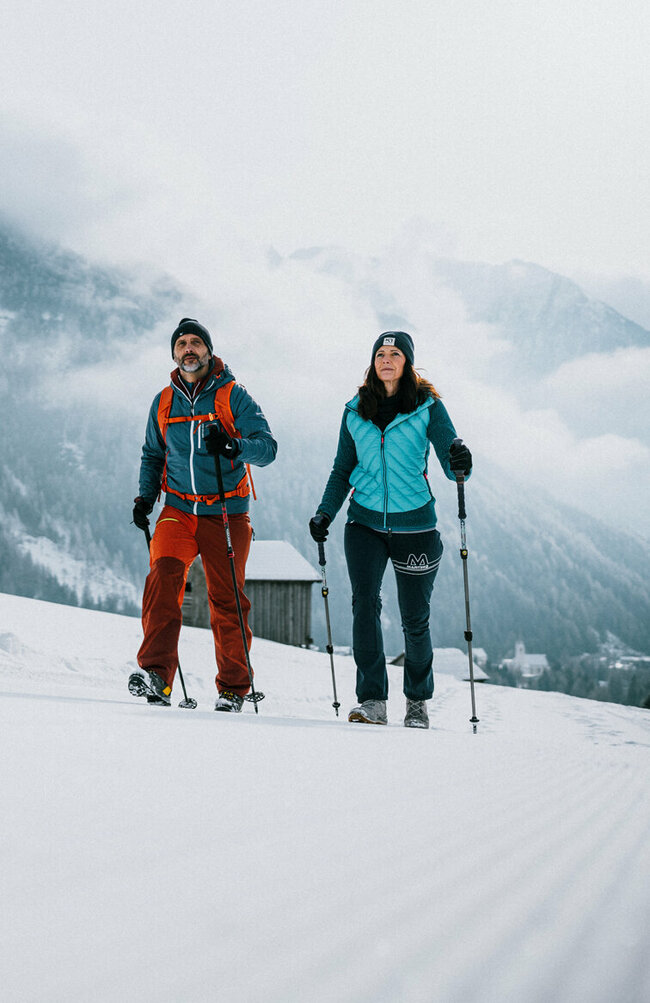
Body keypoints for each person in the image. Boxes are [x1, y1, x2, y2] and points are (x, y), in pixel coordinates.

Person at [309, 331, 472, 729]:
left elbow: (454, 465)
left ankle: (417, 702)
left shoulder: (428, 407)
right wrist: (325, 513)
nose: (386, 359)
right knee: (364, 606)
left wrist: (462, 462)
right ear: (372, 362)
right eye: (380, 353)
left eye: (394, 353)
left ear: (407, 363)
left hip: (415, 526)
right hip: (362, 523)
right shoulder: (354, 411)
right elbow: (342, 469)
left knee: (414, 619)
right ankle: (372, 701)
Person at [132, 318, 277, 710]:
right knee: (162, 579)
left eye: (196, 343)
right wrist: (146, 498)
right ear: (174, 354)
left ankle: (233, 687)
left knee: (225, 597)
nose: (189, 349)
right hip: (177, 508)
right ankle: (156, 675)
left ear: (209, 351)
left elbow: (267, 447)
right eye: (182, 344)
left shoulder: (233, 396)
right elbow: (152, 454)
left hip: (225, 512)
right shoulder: (163, 400)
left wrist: (233, 446)